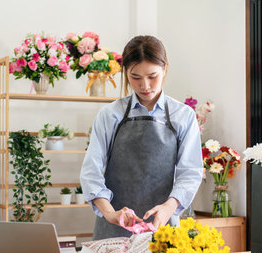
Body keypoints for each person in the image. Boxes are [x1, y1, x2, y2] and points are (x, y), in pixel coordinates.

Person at [80, 35, 203, 240]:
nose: (144, 85)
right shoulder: (109, 115)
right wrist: (110, 214)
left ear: (165, 69)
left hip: (163, 230)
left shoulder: (183, 116)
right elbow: (91, 173)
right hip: (112, 231)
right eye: (135, 77)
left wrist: (167, 208)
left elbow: (190, 173)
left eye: (152, 76)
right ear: (125, 73)